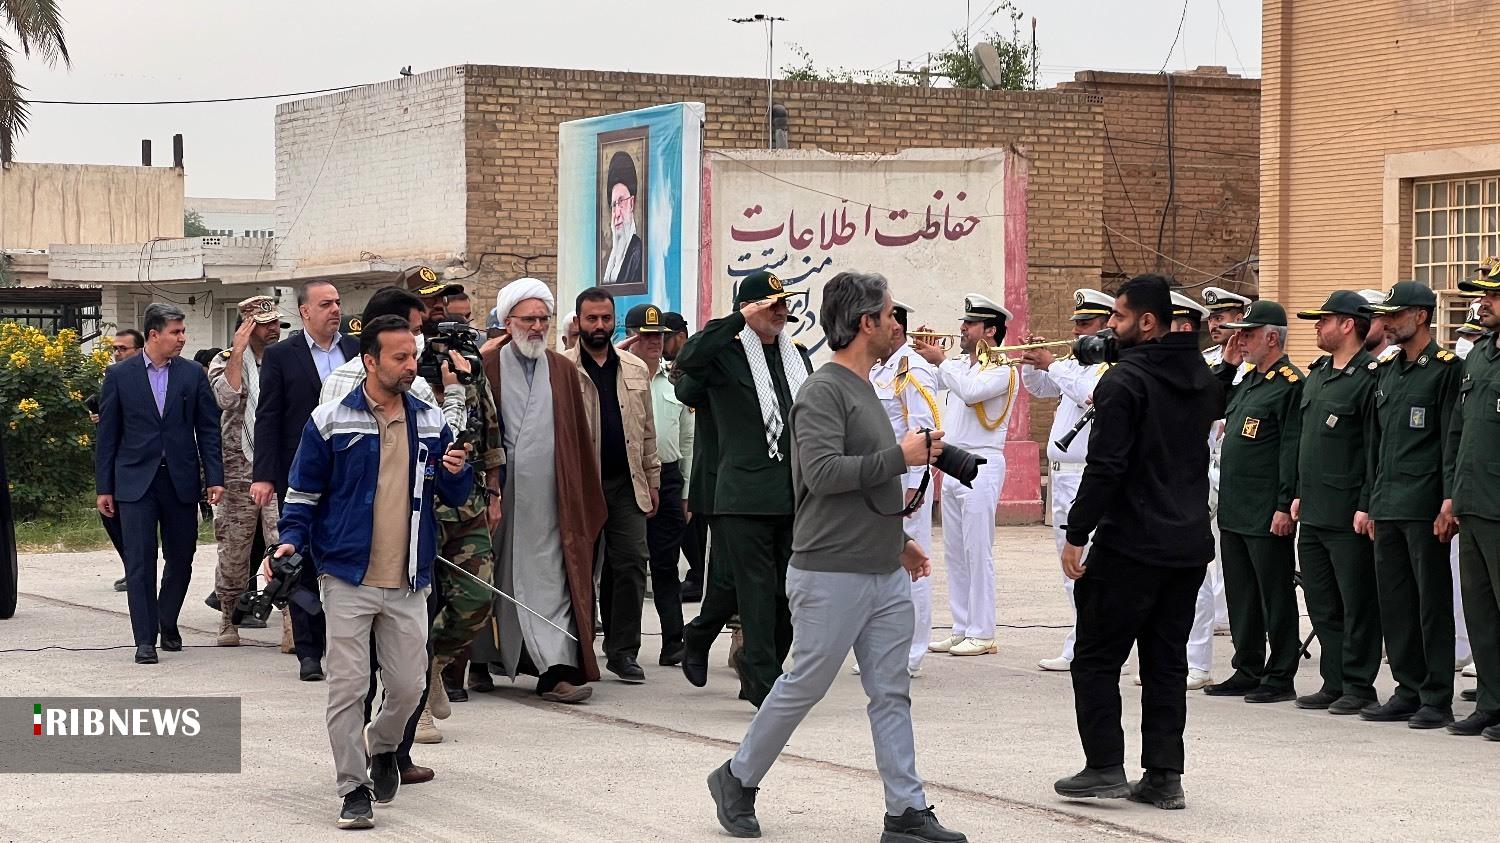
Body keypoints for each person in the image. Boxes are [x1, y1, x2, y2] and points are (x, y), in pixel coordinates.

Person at [706, 271, 966, 843]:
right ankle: (737, 778)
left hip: (880, 570)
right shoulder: (823, 391)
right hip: (829, 571)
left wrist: (896, 542)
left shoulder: (867, 387)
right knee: (803, 684)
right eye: (891, 314)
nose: (898, 324)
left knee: (890, 692)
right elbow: (822, 475)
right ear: (866, 322)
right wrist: (900, 457)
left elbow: (864, 482)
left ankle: (905, 812)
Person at [273, 314, 473, 830]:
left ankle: (382, 746)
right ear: (369, 361)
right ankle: (353, 789)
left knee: (408, 687)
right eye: (400, 357)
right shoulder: (330, 420)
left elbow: (453, 493)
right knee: (349, 688)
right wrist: (290, 539)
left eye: (413, 356)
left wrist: (458, 470)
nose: (411, 366)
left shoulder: (431, 421)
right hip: (346, 577)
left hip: (409, 580)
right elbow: (302, 493)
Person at [1051, 274, 1224, 811]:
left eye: (1119, 317)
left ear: (1147, 322)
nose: (1110, 326)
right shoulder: (1200, 376)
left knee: (1095, 658)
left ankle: (1104, 766)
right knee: (1166, 664)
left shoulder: (1124, 382)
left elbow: (1106, 467)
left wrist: (1076, 533)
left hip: (1130, 544)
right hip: (1187, 544)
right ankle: (1164, 776)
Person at [677, 271, 813, 707]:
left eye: (783, 303)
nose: (781, 311)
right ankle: (762, 681)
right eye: (770, 304)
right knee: (753, 591)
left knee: (787, 591)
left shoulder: (796, 357)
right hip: (741, 495)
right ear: (749, 308)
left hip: (792, 494)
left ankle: (703, 637)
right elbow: (688, 361)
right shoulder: (723, 355)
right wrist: (737, 320)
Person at [470, 277, 607, 704]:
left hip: (551, 501)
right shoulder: (485, 365)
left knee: (552, 578)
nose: (536, 327)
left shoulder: (562, 370)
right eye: (528, 319)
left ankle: (556, 670)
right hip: (497, 498)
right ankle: (477, 662)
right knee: (487, 577)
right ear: (507, 321)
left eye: (543, 319)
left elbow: (575, 439)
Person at [94, 303, 224, 664]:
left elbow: (208, 429)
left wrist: (214, 477)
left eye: (183, 331)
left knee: (181, 557)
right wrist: (105, 487)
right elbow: (108, 435)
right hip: (135, 482)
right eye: (175, 332)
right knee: (140, 560)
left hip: (180, 480)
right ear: (154, 334)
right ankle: (144, 639)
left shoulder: (191, 374)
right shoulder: (119, 375)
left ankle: (166, 619)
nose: (182, 338)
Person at [1361, 280, 1463, 729]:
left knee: (1430, 604)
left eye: (1394, 314)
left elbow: (1450, 442)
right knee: (1395, 603)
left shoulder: (1446, 369)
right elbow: (1376, 445)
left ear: (1420, 316)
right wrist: (1371, 502)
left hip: (1424, 505)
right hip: (1388, 503)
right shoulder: (1387, 370)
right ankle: (1407, 688)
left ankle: (1436, 696)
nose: (1386, 322)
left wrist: (1448, 500)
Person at [253, 279, 360, 681]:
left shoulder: (356, 349)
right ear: (305, 311)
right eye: (326, 303)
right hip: (301, 471)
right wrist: (264, 475)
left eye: (337, 302)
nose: (335, 309)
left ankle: (343, 644)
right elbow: (268, 417)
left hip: (351, 474)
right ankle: (309, 652)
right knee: (298, 557)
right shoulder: (282, 355)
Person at [1287, 291, 1383, 714]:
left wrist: (1366, 503)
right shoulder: (1319, 373)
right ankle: (1334, 680)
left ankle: (1359, 685)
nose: (1317, 326)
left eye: (1324, 320)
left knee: (1356, 603)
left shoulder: (1370, 377)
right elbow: (1306, 443)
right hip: (1314, 509)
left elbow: (1373, 448)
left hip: (1348, 512)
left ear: (1347, 325)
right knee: (1322, 602)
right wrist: (1297, 493)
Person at [1203, 300, 1303, 703]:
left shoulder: (1290, 384)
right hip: (1235, 507)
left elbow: (1292, 450)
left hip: (1266, 510)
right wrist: (1227, 367)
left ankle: (1280, 675)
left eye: (1248, 334)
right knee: (1242, 594)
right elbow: (1212, 405)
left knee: (1274, 595)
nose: (1240, 341)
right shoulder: (1247, 381)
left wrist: (1284, 505)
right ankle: (1247, 668)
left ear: (1271, 338)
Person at [912, 294, 1018, 658]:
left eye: (970, 323)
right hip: (952, 463)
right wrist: (923, 353)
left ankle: (982, 631)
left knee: (977, 552)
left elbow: (971, 393)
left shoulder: (1002, 370)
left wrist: (941, 361)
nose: (962, 328)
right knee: (955, 553)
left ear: (990, 330)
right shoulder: (960, 366)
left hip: (982, 464)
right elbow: (932, 381)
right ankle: (961, 627)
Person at [565, 287, 660, 683]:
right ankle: (579, 649)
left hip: (626, 485)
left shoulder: (635, 368)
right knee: (579, 569)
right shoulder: (562, 368)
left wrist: (653, 479)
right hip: (581, 487)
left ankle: (623, 652)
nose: (600, 325)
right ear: (579, 321)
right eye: (592, 319)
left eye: (606, 318)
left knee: (632, 564)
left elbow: (648, 430)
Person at [1021, 289, 1114, 673]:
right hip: (1061, 476)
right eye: (1076, 323)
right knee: (1069, 567)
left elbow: (1089, 395)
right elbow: (1039, 388)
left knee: (1088, 563)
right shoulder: (1074, 363)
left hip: (1086, 475)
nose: (1076, 331)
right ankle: (1080, 640)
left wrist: (1053, 365)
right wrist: (1032, 362)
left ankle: (1097, 643)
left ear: (1106, 325)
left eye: (1085, 324)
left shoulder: (1108, 365)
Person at [207, 296, 286, 647]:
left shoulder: (285, 359)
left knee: (284, 543)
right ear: (247, 327)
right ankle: (228, 617)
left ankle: (292, 623)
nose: (274, 330)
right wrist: (238, 351)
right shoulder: (224, 360)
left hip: (277, 466)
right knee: (234, 548)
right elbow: (225, 398)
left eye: (276, 323)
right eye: (265, 325)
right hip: (238, 468)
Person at [868, 299, 940, 678]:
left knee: (913, 564)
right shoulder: (880, 368)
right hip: (880, 477)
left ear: (895, 326)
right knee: (882, 563)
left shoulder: (913, 369)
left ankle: (911, 652)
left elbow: (925, 432)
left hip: (904, 480)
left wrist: (917, 487)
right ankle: (883, 645)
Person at [620, 303, 693, 667]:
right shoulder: (616, 378)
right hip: (627, 479)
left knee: (666, 564)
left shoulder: (674, 382)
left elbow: (688, 440)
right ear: (630, 337)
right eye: (646, 335)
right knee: (627, 565)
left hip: (668, 477)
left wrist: (687, 493)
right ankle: (623, 647)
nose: (654, 343)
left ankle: (673, 641)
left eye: (659, 336)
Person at [1450, 267, 1500, 737]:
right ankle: (1491, 701)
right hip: (1473, 502)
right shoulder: (1480, 355)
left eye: (1493, 295)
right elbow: (1459, 431)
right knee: (1481, 612)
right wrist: (1452, 495)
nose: (1482, 303)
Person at [1168, 292, 1217, 691]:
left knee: (1194, 578)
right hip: (1164, 483)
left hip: (1194, 481)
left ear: (1184, 328)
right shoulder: (1164, 369)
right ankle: (1171, 658)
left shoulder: (1202, 371)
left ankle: (1197, 661)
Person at [1200, 286, 1252, 639]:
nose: (1213, 325)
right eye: (1211, 318)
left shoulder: (1253, 361)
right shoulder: (1206, 360)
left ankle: (1229, 612)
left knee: (1231, 545)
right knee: (1209, 540)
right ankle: (1216, 612)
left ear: (1239, 318)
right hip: (1207, 458)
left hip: (1237, 459)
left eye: (1220, 317)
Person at [664, 310, 707, 601]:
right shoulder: (671, 368)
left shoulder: (693, 366)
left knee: (694, 523)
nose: (661, 344)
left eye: (666, 338)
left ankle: (699, 576)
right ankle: (696, 574)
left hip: (699, 458)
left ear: (681, 337)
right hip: (680, 460)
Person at [101, 328, 144, 593]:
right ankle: (132, 566)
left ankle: (139, 568)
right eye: (114, 349)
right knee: (111, 515)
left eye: (123, 348)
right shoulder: (114, 375)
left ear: (139, 350)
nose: (117, 353)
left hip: (149, 462)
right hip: (120, 461)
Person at [603, 151, 644, 286]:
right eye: (614, 205)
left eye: (621, 202)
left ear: (632, 203)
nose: (617, 213)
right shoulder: (612, 261)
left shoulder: (638, 254)